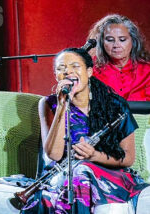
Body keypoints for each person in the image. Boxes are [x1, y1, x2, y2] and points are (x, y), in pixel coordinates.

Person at [21, 48, 149, 213]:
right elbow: (54, 155)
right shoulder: (49, 103)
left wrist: (94, 155)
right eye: (61, 69)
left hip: (106, 174)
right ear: (56, 76)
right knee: (75, 176)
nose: (68, 72)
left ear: (89, 72)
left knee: (81, 171)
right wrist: (62, 106)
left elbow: (128, 157)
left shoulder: (116, 104)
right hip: (64, 175)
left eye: (75, 66)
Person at [88, 14, 150, 101]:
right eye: (110, 40)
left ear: (133, 41)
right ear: (101, 42)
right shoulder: (90, 70)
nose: (116, 45)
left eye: (122, 39)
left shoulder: (147, 71)